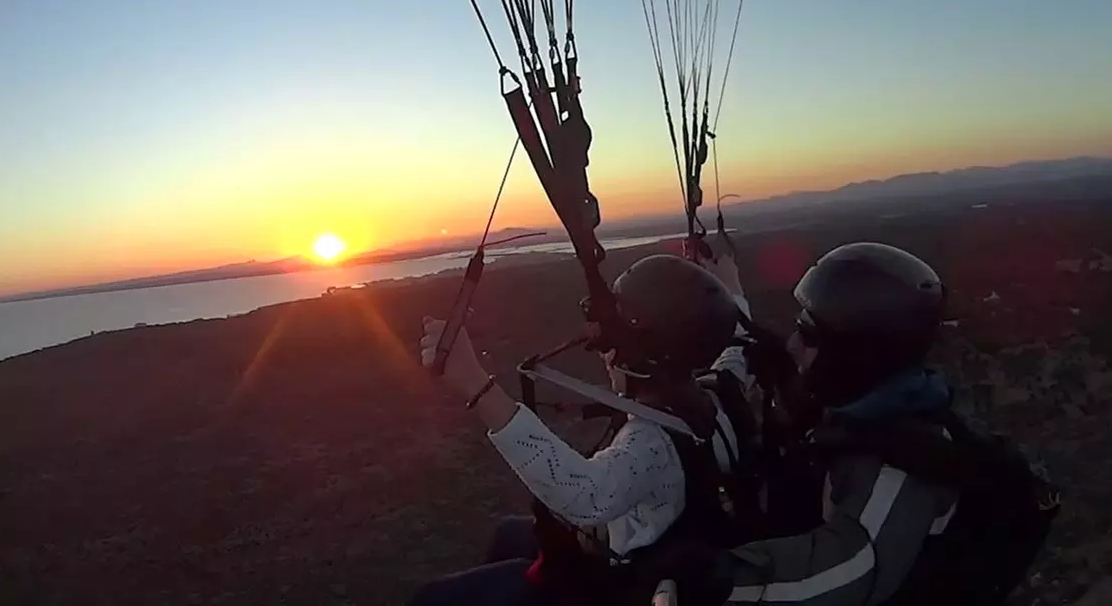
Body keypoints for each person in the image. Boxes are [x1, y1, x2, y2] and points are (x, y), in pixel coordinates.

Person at [410, 242, 761, 606]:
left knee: (432, 597)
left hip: (623, 580)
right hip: (657, 536)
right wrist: (727, 285)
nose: (607, 356)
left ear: (642, 361)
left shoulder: (651, 441)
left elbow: (587, 495)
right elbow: (740, 345)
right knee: (508, 534)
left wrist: (475, 383)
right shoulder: (720, 392)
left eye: (612, 347)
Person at [709, 241, 1058, 606]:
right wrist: (784, 381)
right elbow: (820, 427)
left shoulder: (901, 464)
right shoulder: (878, 410)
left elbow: (845, 573)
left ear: (855, 355)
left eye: (808, 335)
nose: (792, 344)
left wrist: (714, 580)